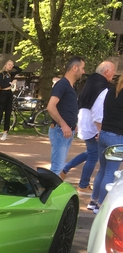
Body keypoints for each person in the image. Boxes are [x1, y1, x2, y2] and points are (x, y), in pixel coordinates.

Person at [60, 61, 115, 190]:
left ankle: (65, 168)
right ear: (106, 71)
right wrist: (100, 130)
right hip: (92, 125)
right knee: (93, 156)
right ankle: (83, 184)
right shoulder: (102, 88)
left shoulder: (91, 83)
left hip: (85, 122)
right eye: (113, 70)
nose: (114, 73)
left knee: (90, 152)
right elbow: (98, 111)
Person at [88, 76, 123, 213]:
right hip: (117, 138)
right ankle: (102, 205)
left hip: (104, 134)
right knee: (110, 172)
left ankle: (93, 200)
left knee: (102, 170)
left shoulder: (111, 91)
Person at [47, 56, 85, 175]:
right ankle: (49, 192)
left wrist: (73, 124)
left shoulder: (69, 86)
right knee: (57, 167)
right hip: (60, 131)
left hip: (66, 131)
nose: (83, 71)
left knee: (59, 166)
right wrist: (64, 125)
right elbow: (51, 106)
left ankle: (51, 191)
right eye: (82, 68)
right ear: (75, 68)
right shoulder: (62, 84)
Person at [0, 60, 22, 140]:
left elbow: (20, 70)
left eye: (11, 65)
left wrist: (13, 65)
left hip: (9, 95)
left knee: (8, 114)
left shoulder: (10, 74)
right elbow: (2, 85)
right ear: (5, 65)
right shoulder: (1, 74)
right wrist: (12, 84)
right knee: (0, 114)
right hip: (3, 94)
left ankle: (5, 132)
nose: (10, 66)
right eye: (9, 64)